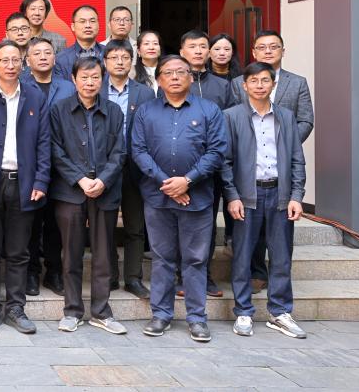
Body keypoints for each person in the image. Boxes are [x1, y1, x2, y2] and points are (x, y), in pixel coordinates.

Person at [131, 55, 228, 343]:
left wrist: (187, 180)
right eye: (168, 73)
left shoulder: (209, 110)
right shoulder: (146, 111)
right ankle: (161, 314)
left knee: (196, 260)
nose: (174, 77)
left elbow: (217, 151)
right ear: (158, 79)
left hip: (197, 198)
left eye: (180, 72)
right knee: (162, 258)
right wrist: (167, 182)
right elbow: (138, 150)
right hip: (158, 197)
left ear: (190, 76)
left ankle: (197, 318)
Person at [222, 62, 307, 339]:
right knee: (243, 255)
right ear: (244, 85)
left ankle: (279, 312)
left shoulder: (285, 116)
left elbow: (297, 159)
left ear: (273, 84)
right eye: (254, 81)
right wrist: (232, 196)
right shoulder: (231, 116)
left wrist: (296, 196)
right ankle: (243, 311)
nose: (260, 85)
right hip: (247, 195)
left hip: (279, 194)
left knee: (281, 256)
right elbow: (224, 161)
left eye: (265, 80)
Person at [230, 30, 314, 292]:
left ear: (282, 51)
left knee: (280, 241)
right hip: (249, 173)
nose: (268, 51)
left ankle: (279, 299)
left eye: (274, 46)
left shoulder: (297, 82)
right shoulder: (238, 83)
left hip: (281, 171)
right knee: (249, 237)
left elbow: (306, 119)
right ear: (253, 51)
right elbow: (234, 125)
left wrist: (285, 142)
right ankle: (256, 274)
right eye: (262, 47)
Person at [0, 40, 48, 335]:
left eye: (15, 59)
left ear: (23, 63)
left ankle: (16, 307)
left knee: (19, 251)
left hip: (24, 183)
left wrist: (41, 180)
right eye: (4, 60)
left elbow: (44, 142)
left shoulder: (35, 97)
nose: (10, 65)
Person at [49, 57, 127, 334]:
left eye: (95, 77)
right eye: (84, 77)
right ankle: (72, 310)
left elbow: (120, 152)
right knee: (70, 254)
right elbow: (55, 150)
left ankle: (101, 311)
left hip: (104, 191)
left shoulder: (113, 111)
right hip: (70, 191)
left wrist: (103, 180)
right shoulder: (59, 110)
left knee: (103, 255)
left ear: (102, 80)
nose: (90, 82)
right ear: (73, 79)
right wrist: (80, 179)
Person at [179, 29, 234, 298]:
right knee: (179, 224)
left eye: (203, 46)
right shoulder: (173, 81)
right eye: (193, 46)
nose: (199, 51)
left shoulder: (224, 86)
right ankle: (181, 276)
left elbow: (230, 127)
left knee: (207, 224)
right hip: (180, 168)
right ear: (182, 52)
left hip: (212, 167)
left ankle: (205, 275)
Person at [101, 40, 156, 299]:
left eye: (125, 57)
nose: (120, 62)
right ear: (105, 62)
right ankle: (110, 275)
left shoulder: (145, 93)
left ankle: (133, 278)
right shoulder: (96, 89)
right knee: (106, 226)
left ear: (132, 61)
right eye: (114, 57)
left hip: (135, 166)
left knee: (135, 226)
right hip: (105, 167)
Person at [22, 37, 76, 297]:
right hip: (30, 164)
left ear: (55, 58)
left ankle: (54, 271)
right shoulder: (20, 85)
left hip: (62, 164)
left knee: (56, 222)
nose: (43, 57)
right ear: (27, 60)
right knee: (31, 221)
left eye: (48, 52)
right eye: (37, 53)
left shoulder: (68, 87)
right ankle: (31, 271)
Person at [55, 5, 104, 79]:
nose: (88, 25)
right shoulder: (61, 59)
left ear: (98, 25)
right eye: (82, 21)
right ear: (73, 26)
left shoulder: (109, 54)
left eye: (92, 21)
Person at [133, 30, 162, 95]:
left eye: (155, 43)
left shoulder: (168, 70)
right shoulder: (131, 72)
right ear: (138, 51)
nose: (151, 47)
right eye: (146, 44)